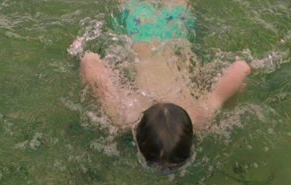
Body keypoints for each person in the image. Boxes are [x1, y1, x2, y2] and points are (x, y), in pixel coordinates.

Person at [80, 0, 252, 173]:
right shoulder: (123, 114)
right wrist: (96, 96)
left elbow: (241, 68)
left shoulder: (199, 116)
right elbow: (89, 61)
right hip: (140, 32)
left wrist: (229, 103)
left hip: (175, 29)